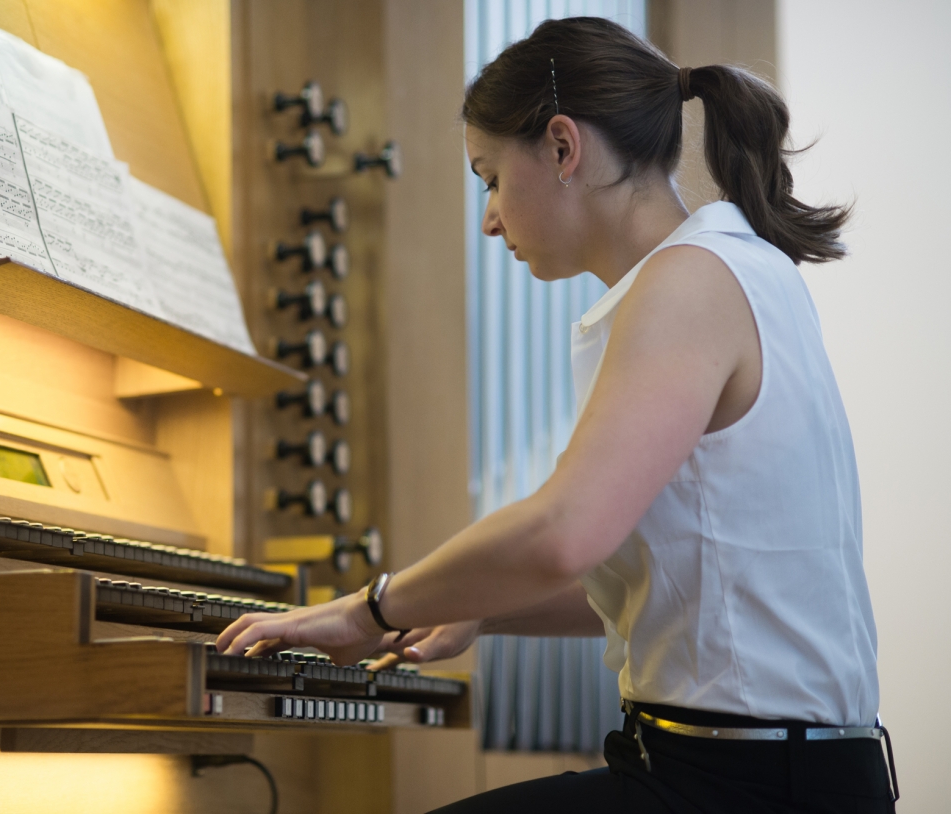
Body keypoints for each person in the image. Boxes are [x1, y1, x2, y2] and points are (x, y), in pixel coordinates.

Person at [217, 16, 896, 813]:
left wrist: (367, 608)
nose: (489, 218)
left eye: (491, 178)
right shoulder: (738, 267)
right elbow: (672, 581)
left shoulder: (688, 282)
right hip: (776, 774)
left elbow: (562, 532)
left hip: (741, 785)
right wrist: (478, 611)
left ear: (563, 148)